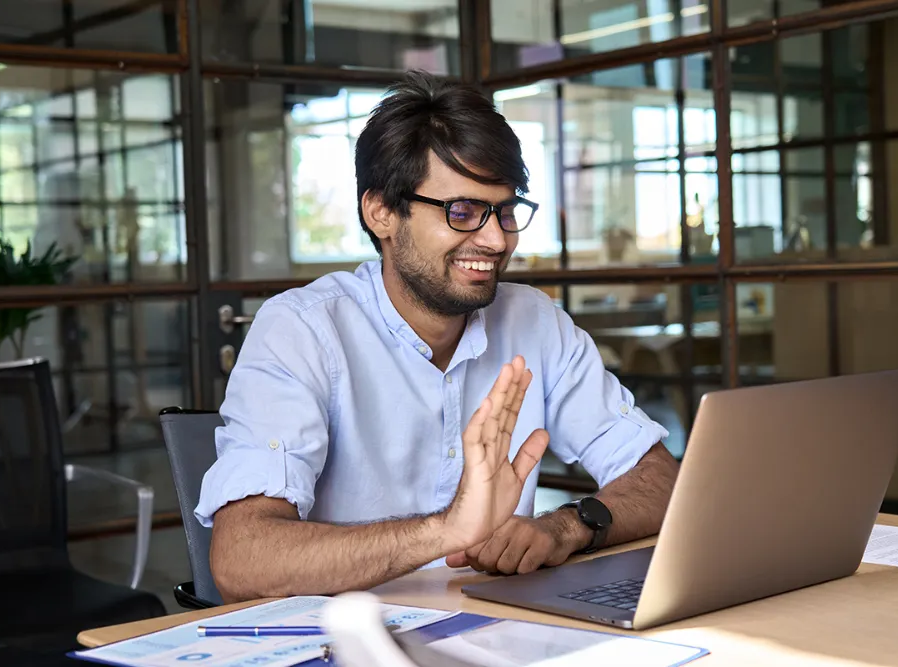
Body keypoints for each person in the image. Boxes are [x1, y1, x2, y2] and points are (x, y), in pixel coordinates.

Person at [196, 71, 679, 603]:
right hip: (351, 642)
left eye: (505, 211)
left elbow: (661, 481)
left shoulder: (535, 321)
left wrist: (565, 527)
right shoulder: (304, 330)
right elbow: (243, 559)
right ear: (381, 212)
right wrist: (447, 530)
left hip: (505, 631)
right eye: (463, 212)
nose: (495, 240)